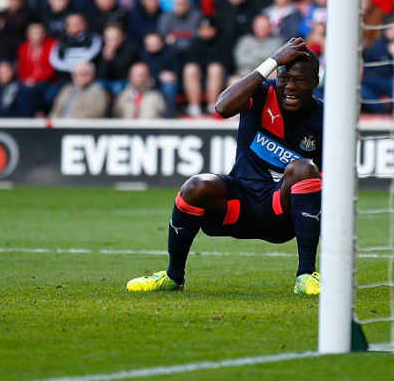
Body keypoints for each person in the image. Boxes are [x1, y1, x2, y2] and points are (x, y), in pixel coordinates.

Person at [127, 38, 325, 294]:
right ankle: (172, 276)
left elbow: (328, 184)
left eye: (299, 80)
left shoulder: (324, 118)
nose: (290, 86)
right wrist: (273, 61)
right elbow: (222, 107)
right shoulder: (263, 91)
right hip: (238, 205)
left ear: (315, 82)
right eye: (284, 77)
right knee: (197, 185)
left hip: (280, 213)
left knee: (303, 169)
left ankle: (306, 276)